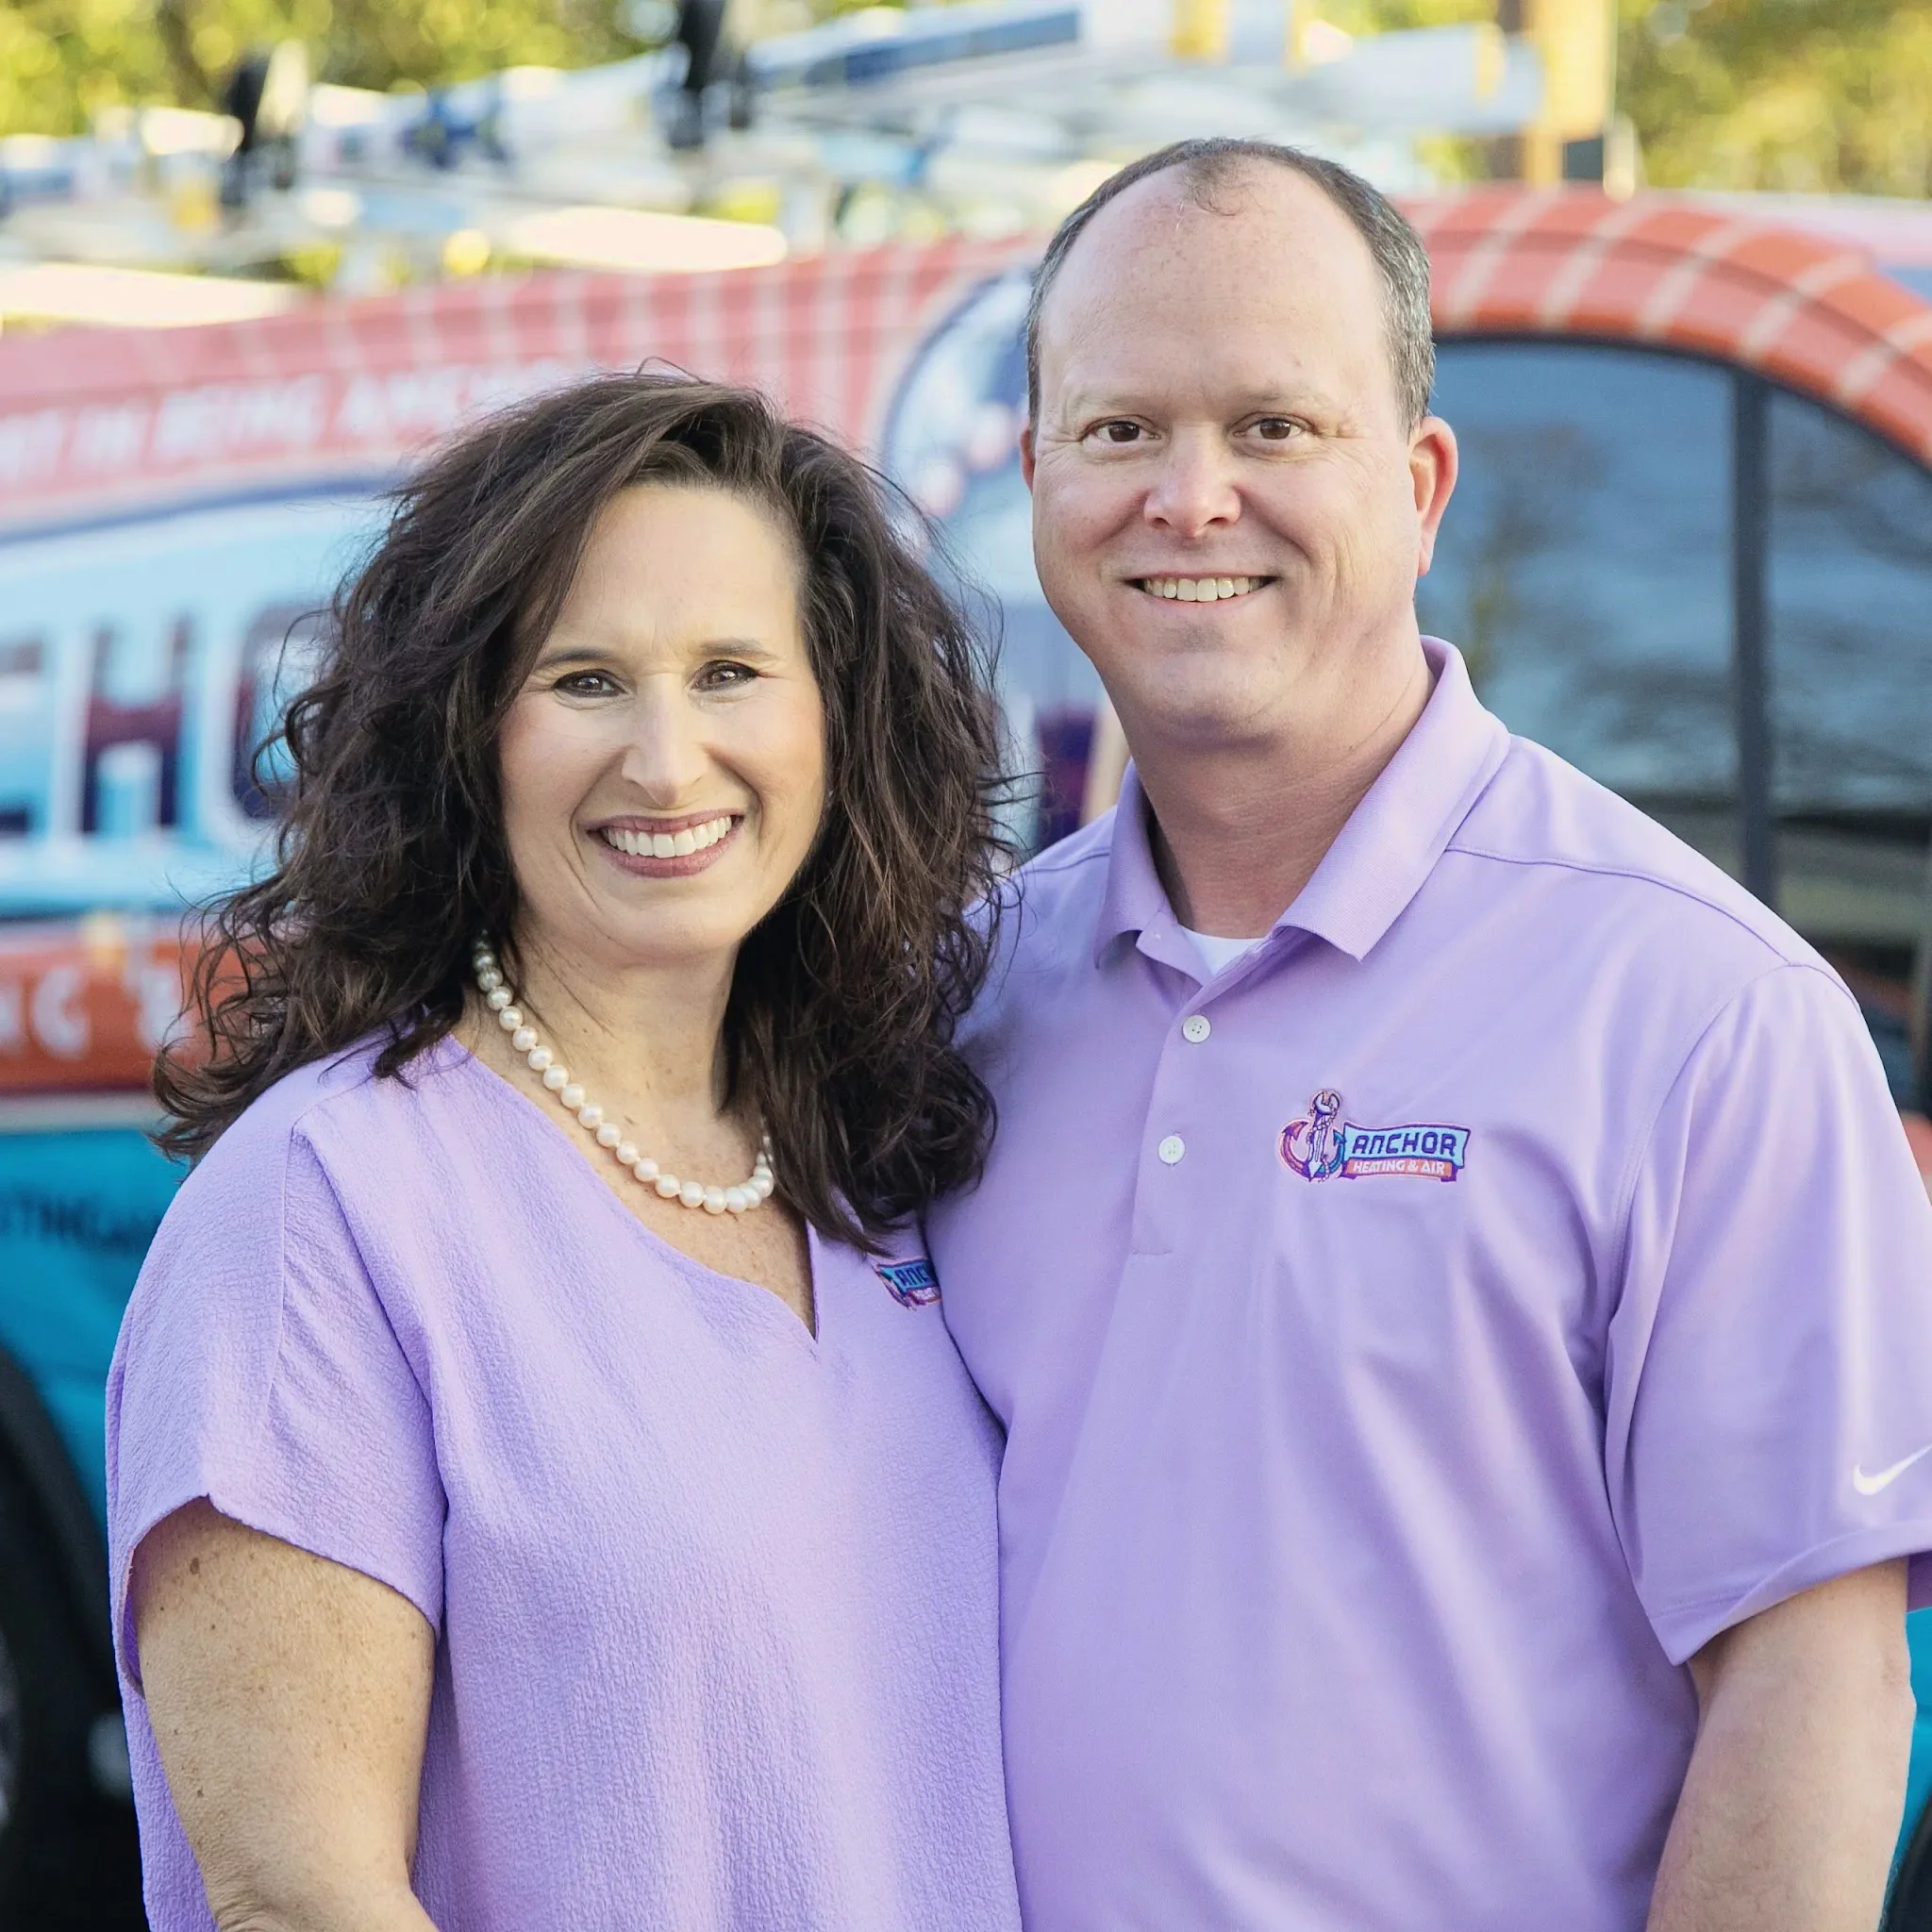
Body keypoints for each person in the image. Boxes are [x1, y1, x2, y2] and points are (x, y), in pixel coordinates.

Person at [926, 138, 1932, 1931]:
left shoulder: (1702, 1012)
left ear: (1420, 485)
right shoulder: (963, 1002)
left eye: (1274, 426)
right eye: (1121, 429)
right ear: (1036, 479)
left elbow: (1811, 1693)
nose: (1192, 498)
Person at [108, 375, 1023, 1932]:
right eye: (586, 680)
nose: (667, 762)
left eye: (730, 671)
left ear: (835, 717)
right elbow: (302, 1898)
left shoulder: (879, 1171)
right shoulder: (326, 1206)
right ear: (468, 732)